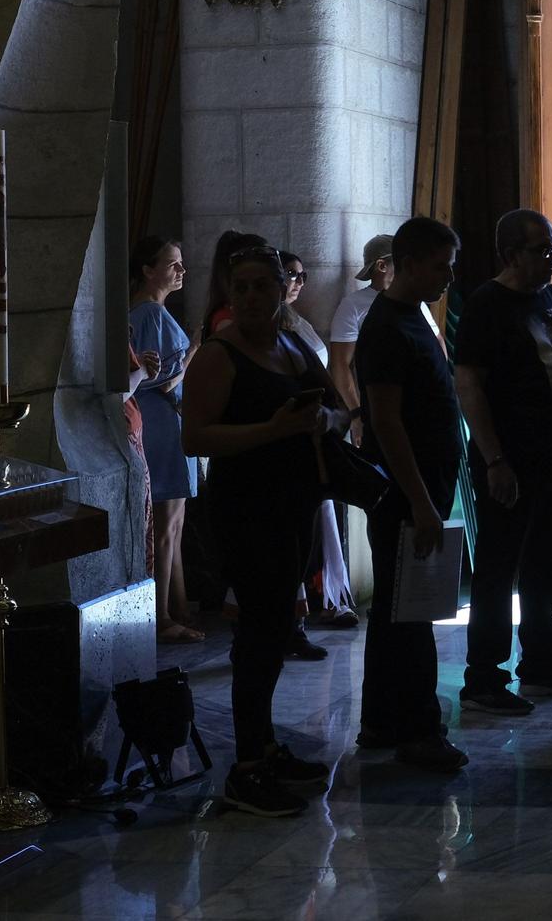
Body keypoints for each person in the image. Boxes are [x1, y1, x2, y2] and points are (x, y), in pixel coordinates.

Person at [179, 243, 343, 816]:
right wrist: (271, 431)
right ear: (228, 292)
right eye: (240, 287)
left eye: (261, 286)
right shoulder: (218, 356)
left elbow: (340, 407)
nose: (249, 296)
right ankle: (246, 767)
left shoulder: (294, 345)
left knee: (277, 630)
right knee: (257, 634)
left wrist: (323, 418)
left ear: (282, 291)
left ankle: (266, 745)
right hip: (245, 508)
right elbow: (195, 438)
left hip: (293, 502)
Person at [354, 217, 469, 774]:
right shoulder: (386, 326)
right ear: (412, 262)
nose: (449, 276)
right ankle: (420, 730)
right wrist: (421, 502)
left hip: (421, 490)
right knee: (414, 613)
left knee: (396, 612)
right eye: (442, 265)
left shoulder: (411, 316)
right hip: (407, 496)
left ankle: (380, 719)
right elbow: (387, 423)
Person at [456, 209, 552, 715]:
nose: (551, 260)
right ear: (510, 254)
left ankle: (541, 663)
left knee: (550, 565)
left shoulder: (549, 297)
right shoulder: (489, 304)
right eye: (541, 252)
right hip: (511, 457)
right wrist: (494, 458)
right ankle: (484, 678)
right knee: (497, 569)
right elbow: (469, 384)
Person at [280, 250, 358, 631]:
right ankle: (308, 607)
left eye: (301, 276)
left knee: (321, 523)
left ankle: (329, 597)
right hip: (294, 437)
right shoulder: (276, 327)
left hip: (318, 432)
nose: (296, 282)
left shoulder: (297, 320)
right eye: (289, 275)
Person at [130, 237, 202, 645]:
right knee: (166, 523)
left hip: (171, 424)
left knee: (174, 522)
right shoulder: (149, 314)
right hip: (162, 425)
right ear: (147, 269)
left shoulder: (153, 314)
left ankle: (178, 606)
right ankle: (161, 616)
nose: (180, 271)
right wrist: (194, 349)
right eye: (172, 264)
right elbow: (161, 380)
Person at [330, 234, 442, 442]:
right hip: (379, 412)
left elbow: (437, 344)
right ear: (382, 265)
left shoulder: (414, 300)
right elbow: (340, 365)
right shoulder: (353, 305)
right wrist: (357, 415)